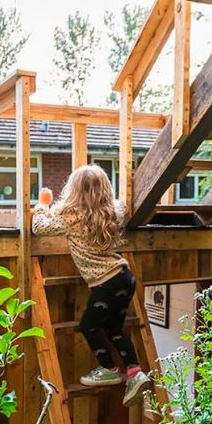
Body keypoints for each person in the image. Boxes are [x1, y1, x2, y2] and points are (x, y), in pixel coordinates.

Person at [31, 165, 152, 406]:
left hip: (105, 283)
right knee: (114, 327)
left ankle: (108, 367)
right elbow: (122, 205)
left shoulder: (71, 217)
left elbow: (39, 227)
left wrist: (43, 204)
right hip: (123, 277)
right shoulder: (113, 211)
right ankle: (135, 372)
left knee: (89, 326)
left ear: (73, 190)